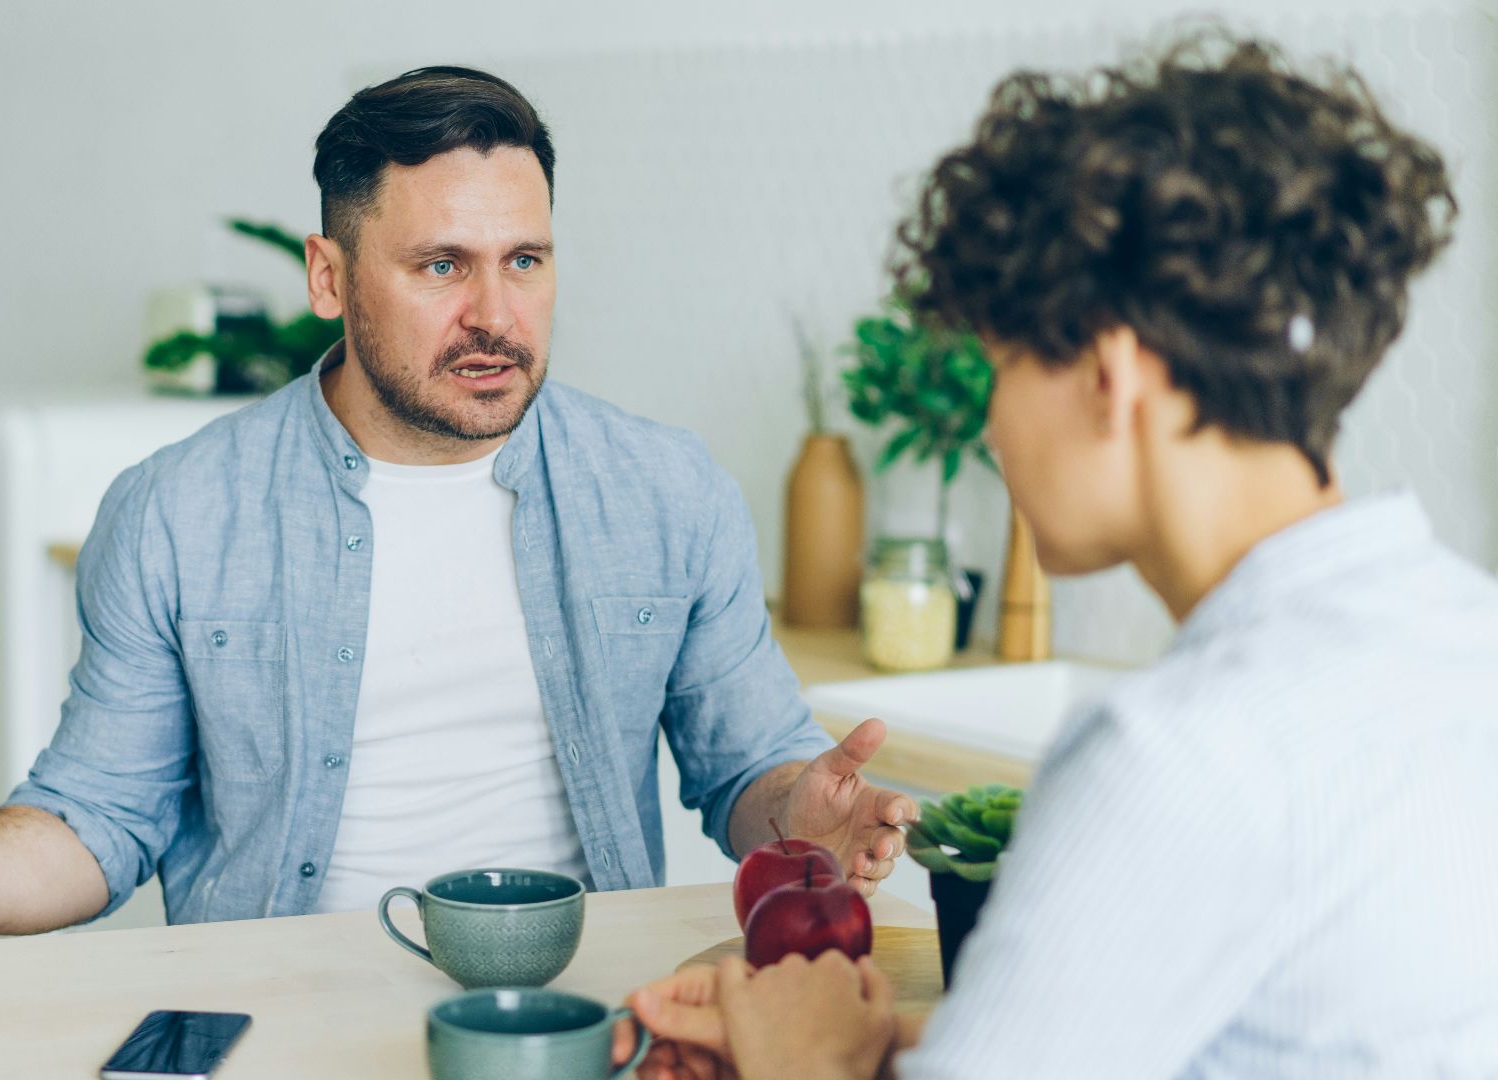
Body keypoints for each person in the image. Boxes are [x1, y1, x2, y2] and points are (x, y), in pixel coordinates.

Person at [0, 66, 915, 948]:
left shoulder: (665, 492)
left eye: (527, 262)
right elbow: (95, 821)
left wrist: (800, 806)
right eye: (442, 266)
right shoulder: (180, 513)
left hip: (577, 1014)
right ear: (330, 276)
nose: (496, 315)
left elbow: (746, 773)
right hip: (272, 1015)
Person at [623, 31, 1498, 1080]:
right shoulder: (1464, 637)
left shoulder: (1176, 756)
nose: (991, 428)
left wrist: (801, 1059)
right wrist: (865, 1047)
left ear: (1105, 373)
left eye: (998, 364)